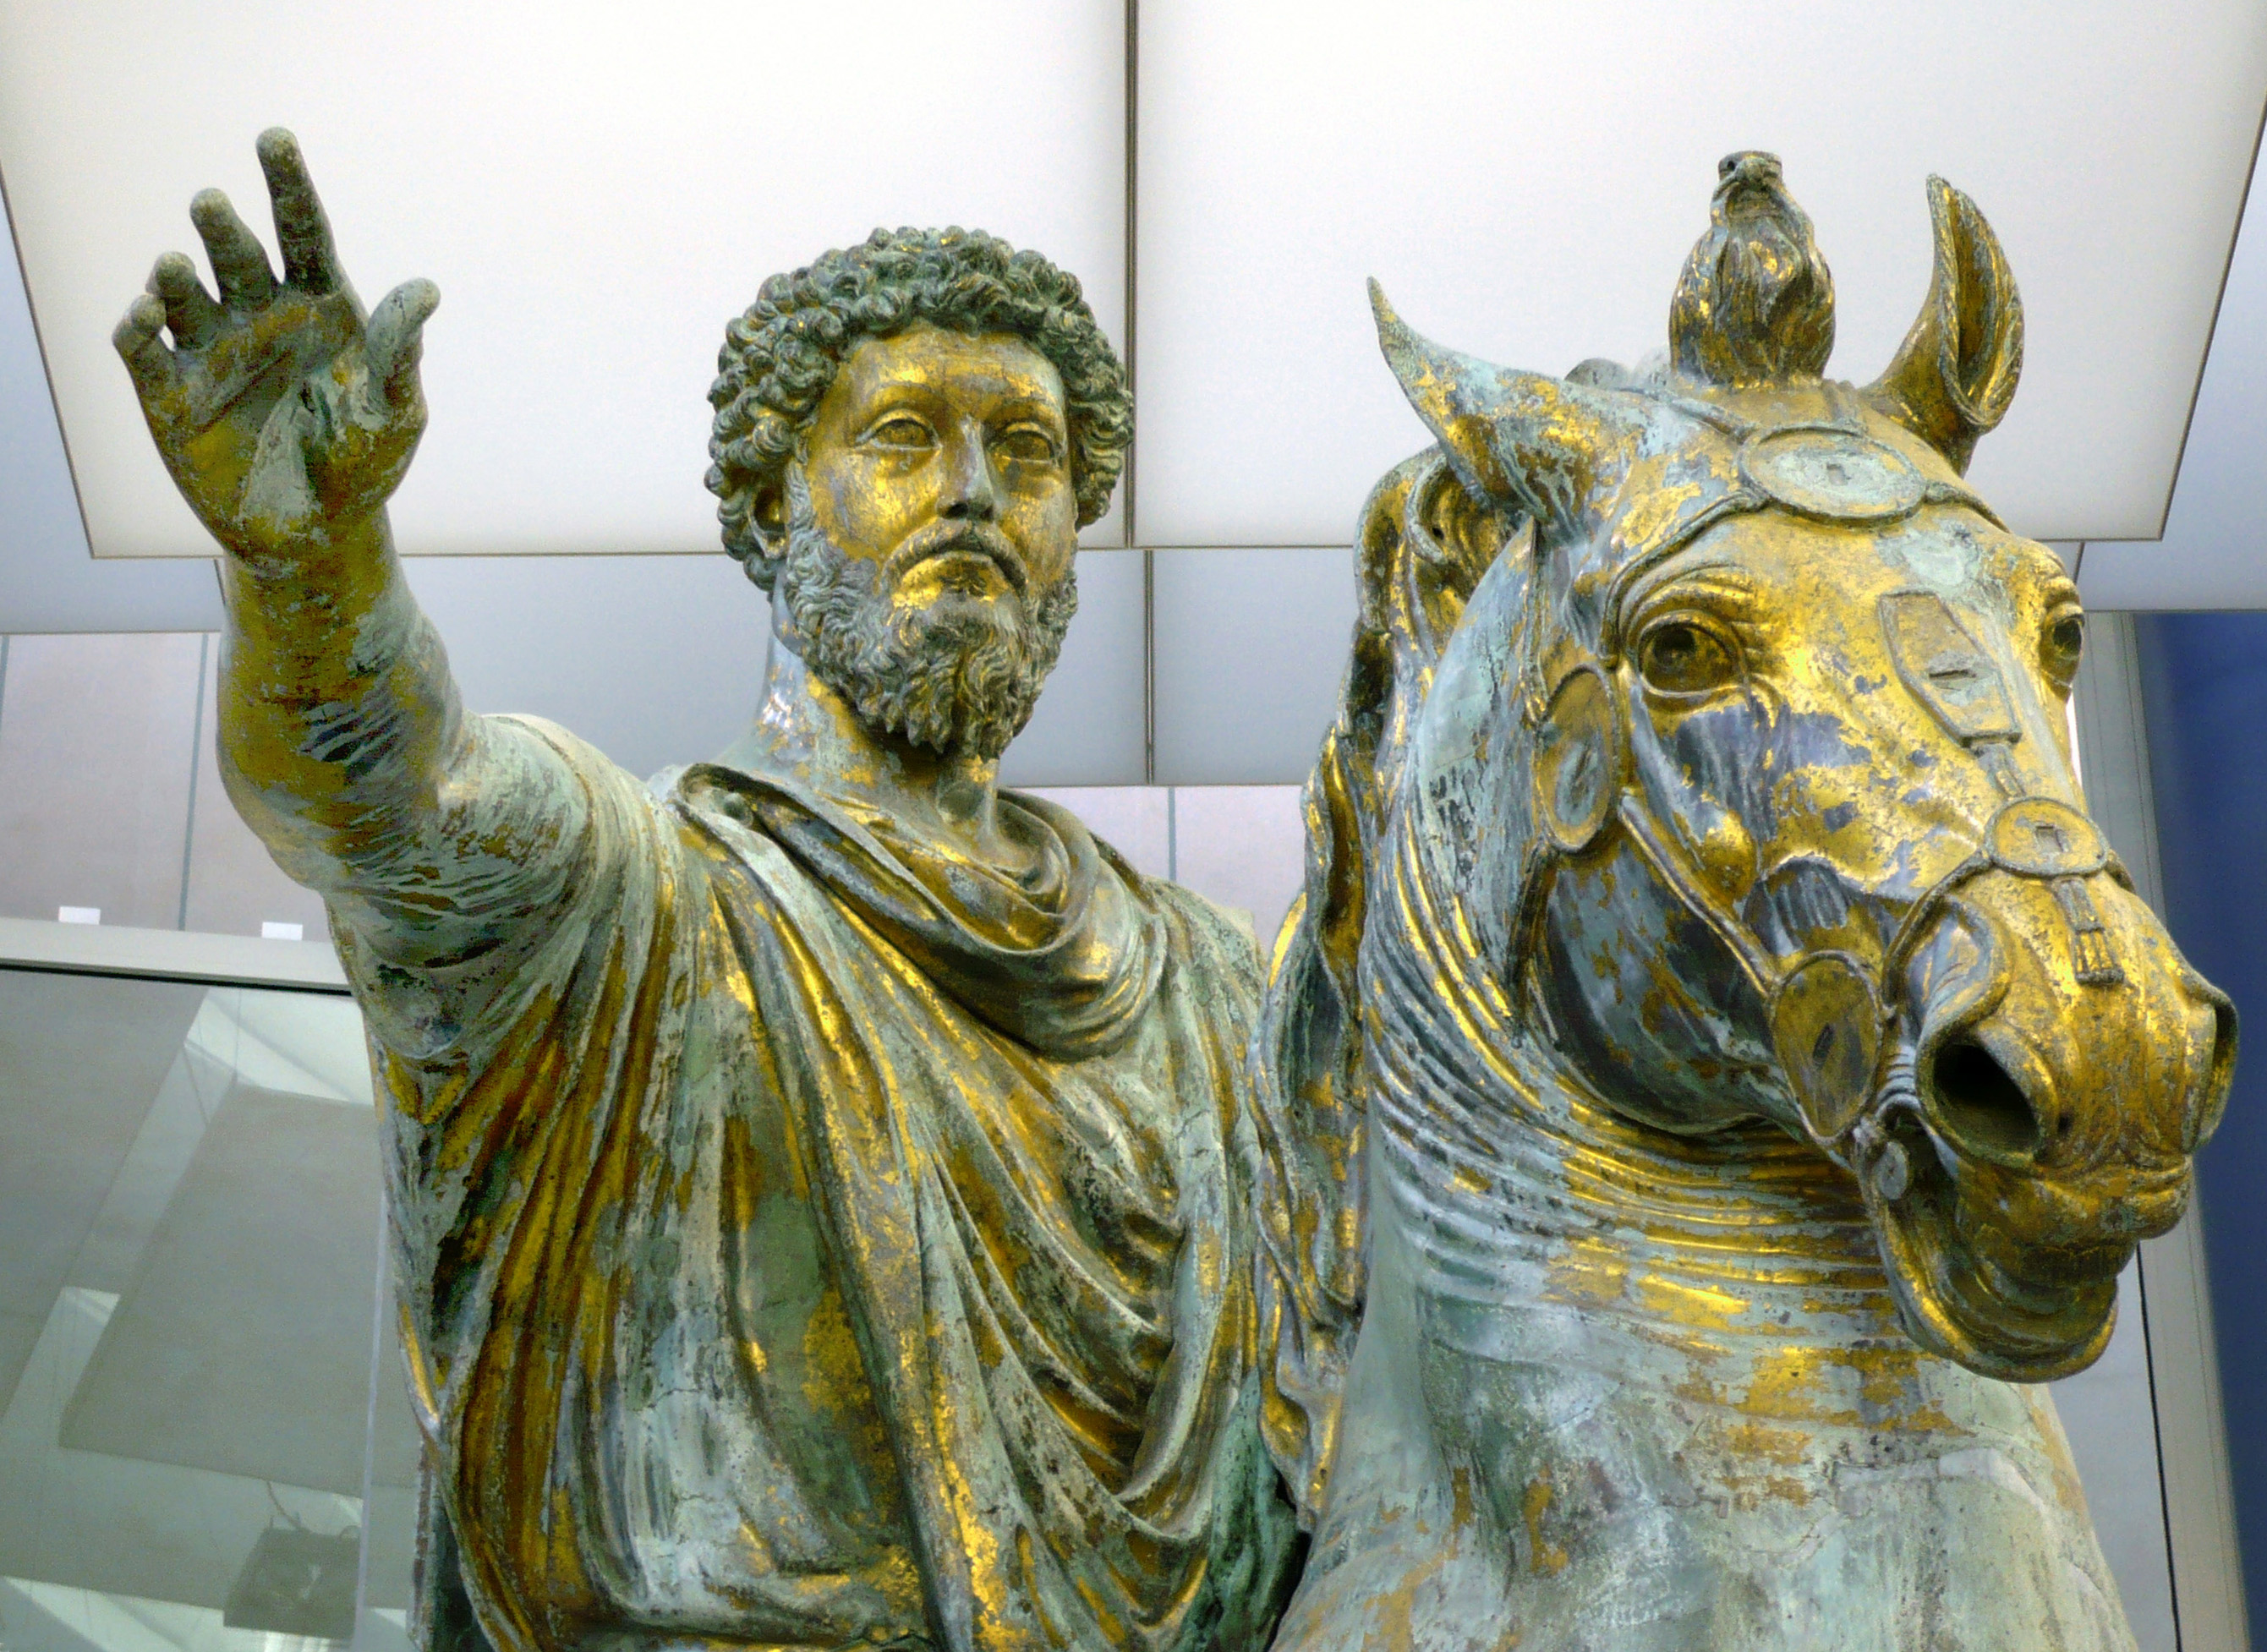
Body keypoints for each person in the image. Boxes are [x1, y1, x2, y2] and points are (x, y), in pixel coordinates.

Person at [116, 129, 1297, 1652]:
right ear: (768, 504)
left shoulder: (1206, 980)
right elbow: (389, 802)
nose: (970, 493)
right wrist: (308, 565)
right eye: (902, 438)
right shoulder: (630, 887)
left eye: (1028, 452)